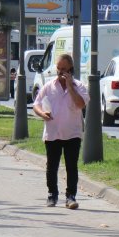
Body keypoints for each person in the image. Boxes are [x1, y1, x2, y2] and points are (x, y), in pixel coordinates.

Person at [32, 53, 89, 209]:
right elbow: (36, 104)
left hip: (72, 133)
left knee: (71, 166)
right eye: (58, 68)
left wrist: (70, 86)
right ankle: (52, 195)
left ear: (70, 69)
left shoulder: (79, 86)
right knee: (52, 166)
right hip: (53, 133)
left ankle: (71, 196)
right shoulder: (49, 86)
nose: (60, 72)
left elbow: (80, 104)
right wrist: (42, 114)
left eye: (64, 69)